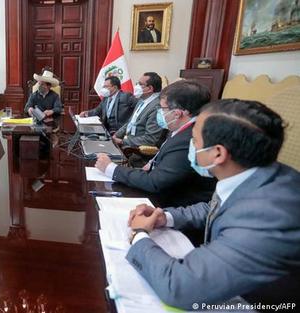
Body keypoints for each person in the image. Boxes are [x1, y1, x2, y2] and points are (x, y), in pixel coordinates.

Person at [126, 99, 300, 309]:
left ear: (218, 153)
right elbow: (217, 206)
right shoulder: (256, 171)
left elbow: (179, 287)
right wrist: (167, 217)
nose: (191, 145)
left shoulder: (269, 217)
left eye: (194, 140)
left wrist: (139, 235)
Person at [95, 80, 216, 207]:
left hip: (172, 206)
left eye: (162, 108)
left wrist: (110, 168)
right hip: (163, 192)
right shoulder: (184, 128)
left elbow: (155, 182)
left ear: (177, 113)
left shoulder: (189, 139)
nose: (160, 113)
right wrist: (152, 163)